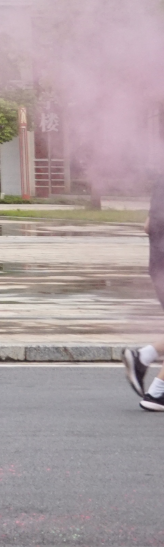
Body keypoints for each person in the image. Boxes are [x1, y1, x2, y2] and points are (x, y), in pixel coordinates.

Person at [123, 165, 164, 411]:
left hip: (158, 266)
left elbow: (148, 226)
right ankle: (157, 393)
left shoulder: (161, 182)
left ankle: (143, 358)